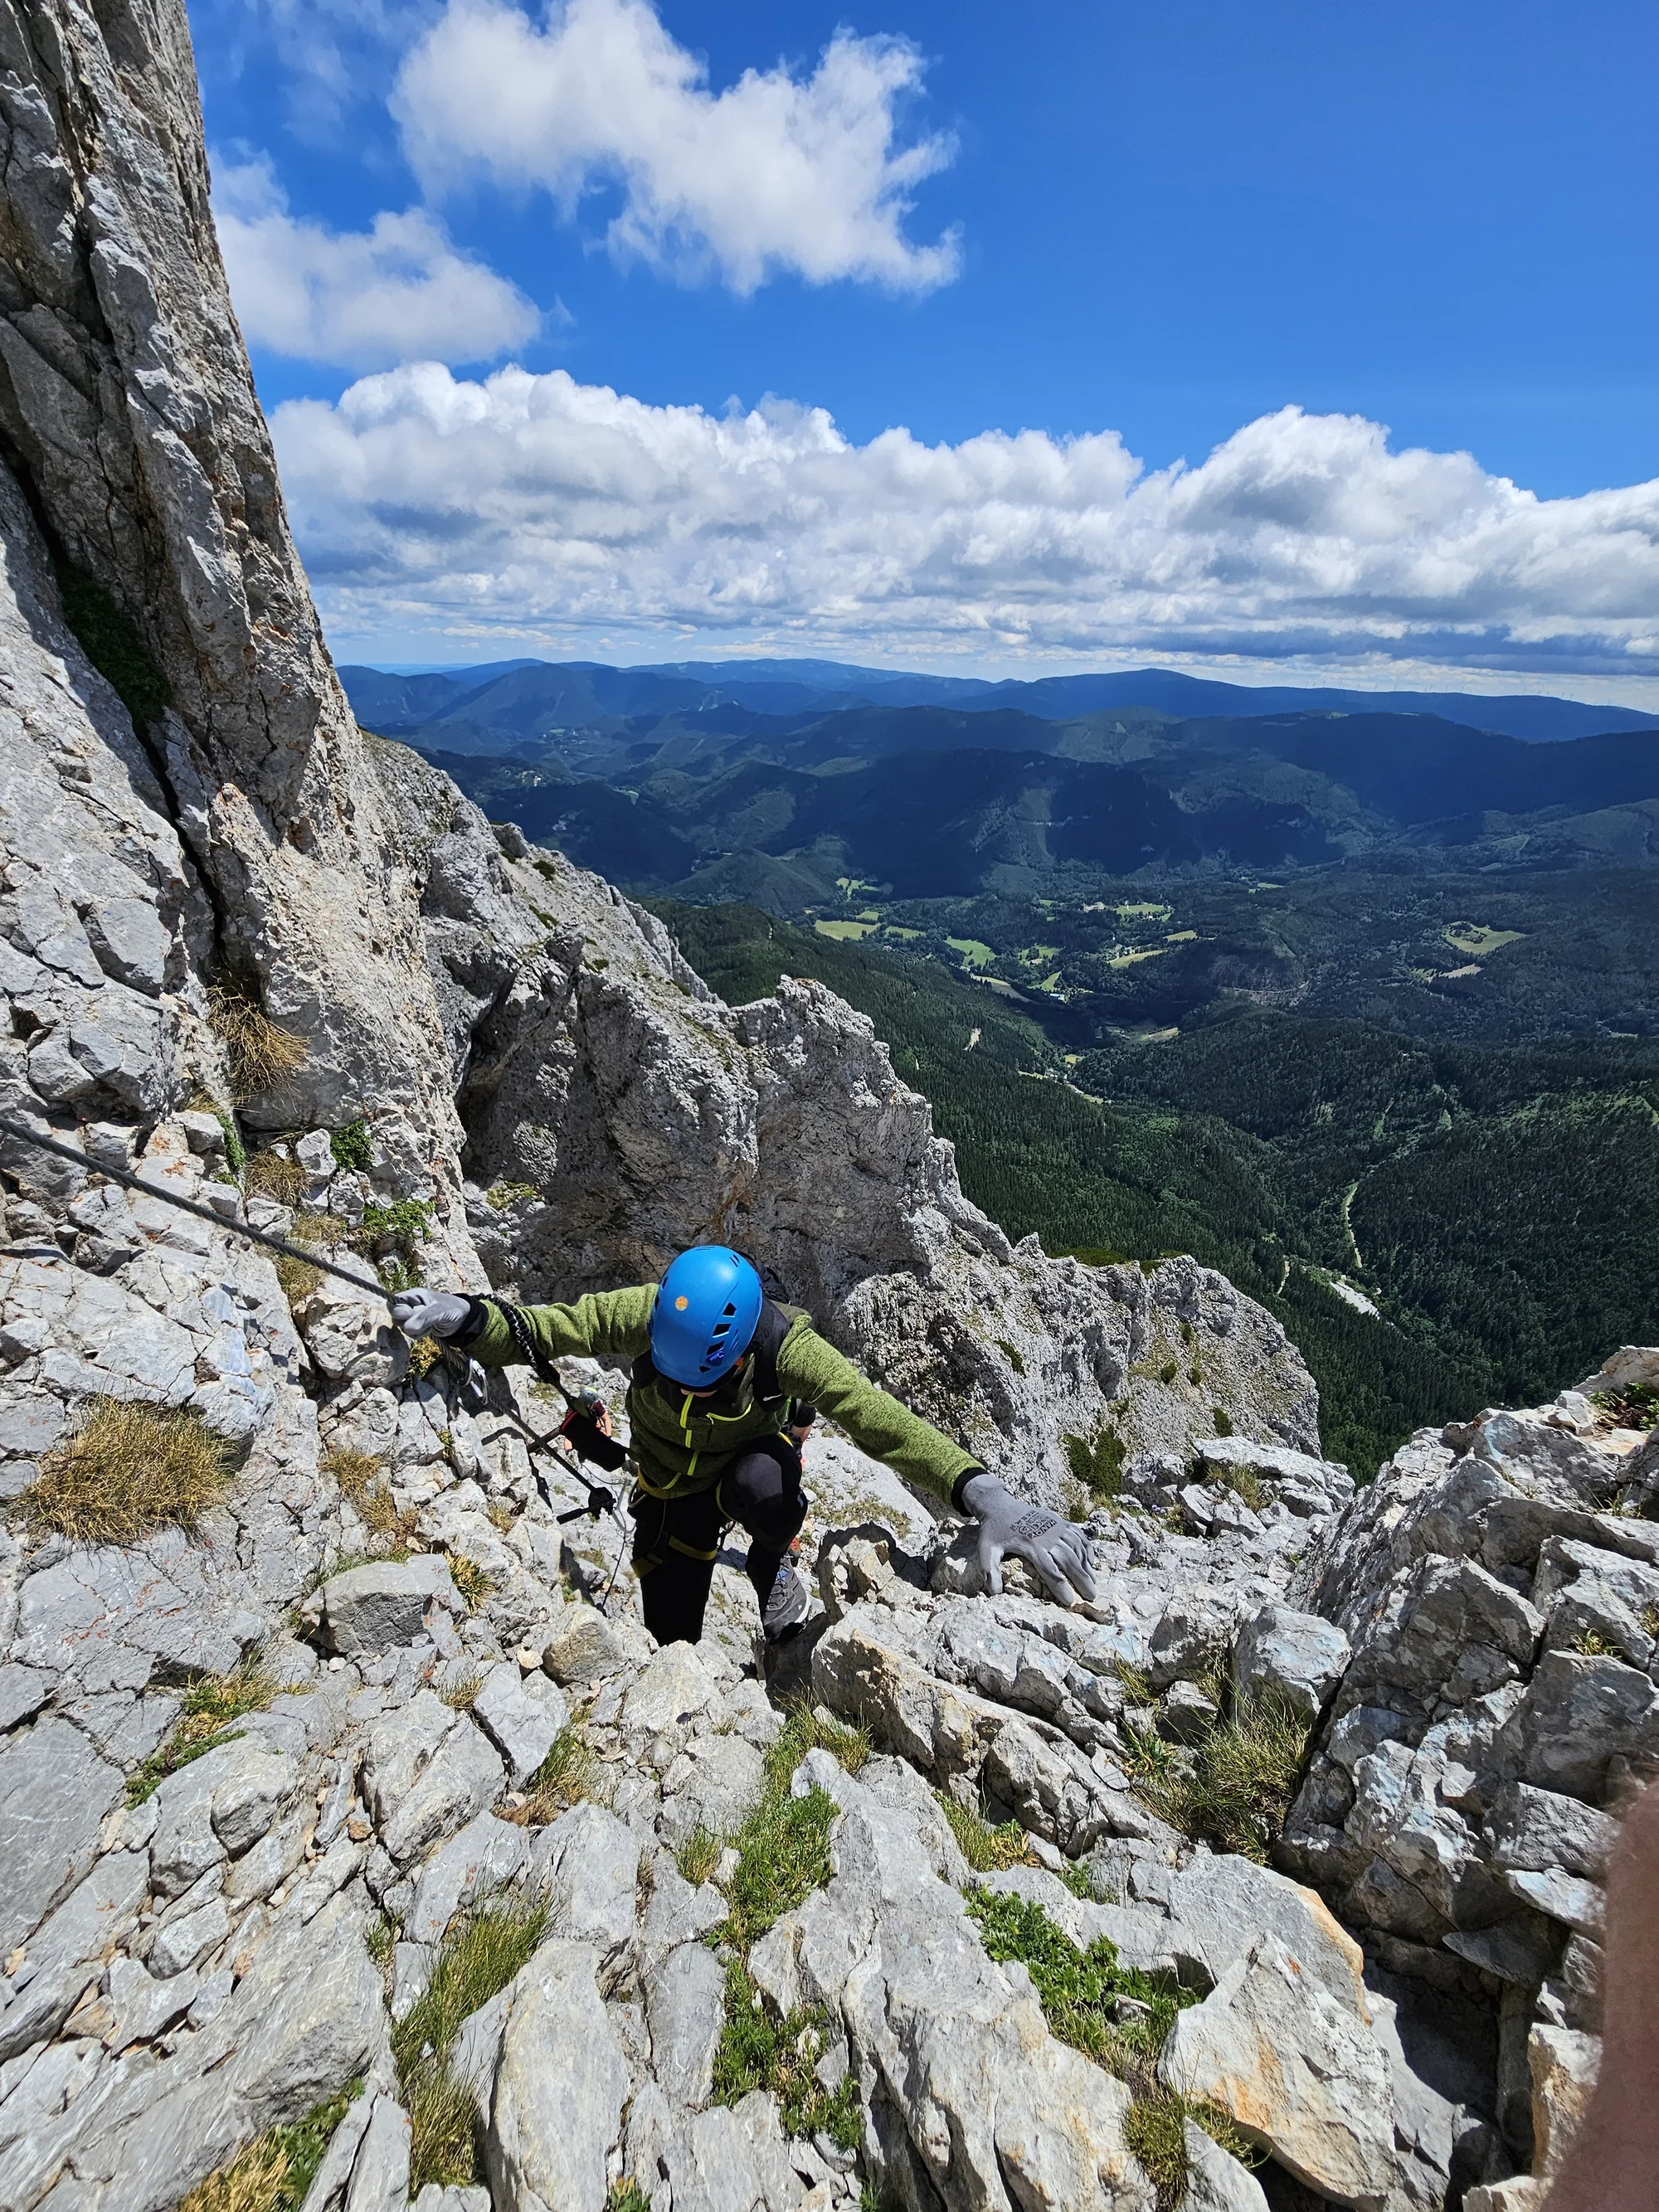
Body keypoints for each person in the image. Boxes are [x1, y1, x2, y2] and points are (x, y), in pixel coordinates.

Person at [391, 1244, 1097, 1646]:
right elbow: (547, 1329)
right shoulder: (652, 1312)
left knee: (767, 1490)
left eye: (702, 1382)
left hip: (744, 1468)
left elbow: (877, 1416)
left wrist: (986, 1494)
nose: (686, 1390)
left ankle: (770, 1563)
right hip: (666, 1485)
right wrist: (466, 1317)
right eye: (673, 1375)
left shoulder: (786, 1350)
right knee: (670, 1633)